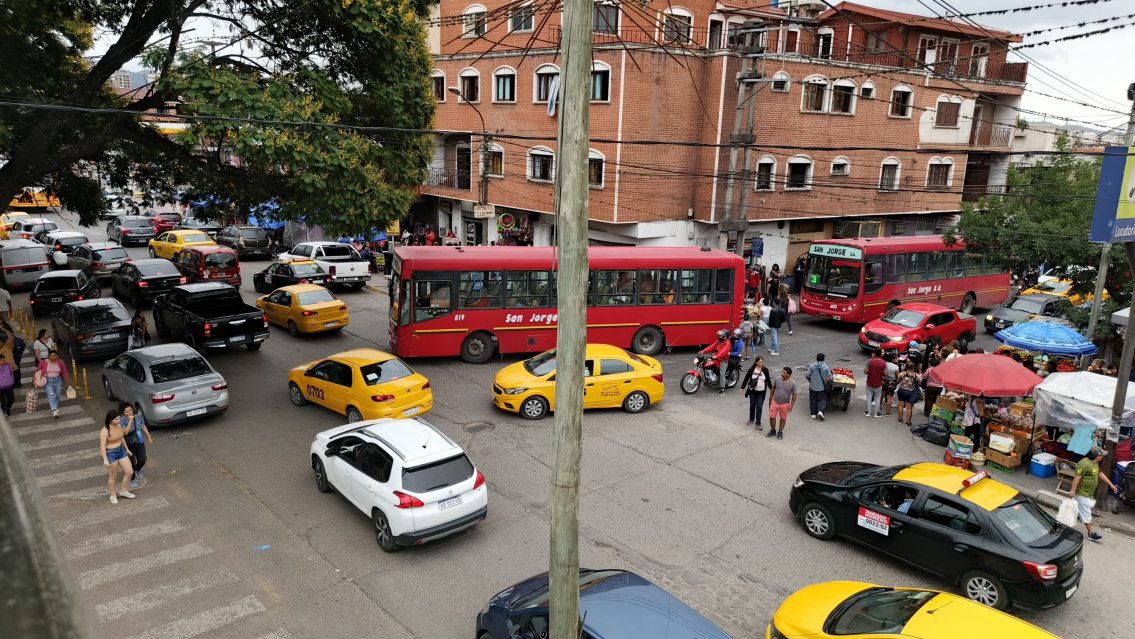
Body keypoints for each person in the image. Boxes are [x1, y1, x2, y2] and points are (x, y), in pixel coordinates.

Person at [1071, 446, 1117, 542]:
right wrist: (1072, 491)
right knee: (1086, 513)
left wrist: (1111, 485)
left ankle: (1063, 524)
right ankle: (1090, 534)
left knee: (1078, 510)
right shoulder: (1083, 463)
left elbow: (1100, 474)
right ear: (1097, 456)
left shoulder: (1095, 463)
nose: (1102, 457)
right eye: (1101, 455)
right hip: (1082, 493)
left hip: (1088, 493)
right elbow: (1077, 478)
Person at [100, 410, 135, 504]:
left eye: (119, 418)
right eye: (116, 419)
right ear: (110, 420)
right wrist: (105, 459)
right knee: (113, 476)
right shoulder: (105, 430)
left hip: (121, 450)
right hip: (111, 453)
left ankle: (124, 491)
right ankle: (113, 495)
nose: (119, 420)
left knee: (130, 471)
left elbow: (121, 437)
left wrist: (127, 449)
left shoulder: (118, 426)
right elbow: (102, 445)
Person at [119, 402, 152, 489]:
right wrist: (130, 421)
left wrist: (149, 436)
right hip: (129, 445)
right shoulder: (122, 421)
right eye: (127, 412)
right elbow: (125, 432)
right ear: (123, 412)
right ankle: (132, 479)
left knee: (143, 459)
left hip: (139, 442)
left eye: (130, 410)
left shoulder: (137, 416)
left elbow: (143, 426)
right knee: (132, 463)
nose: (129, 413)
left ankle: (138, 470)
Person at [35, 349, 71, 418]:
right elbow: (37, 371)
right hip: (48, 381)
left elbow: (64, 372)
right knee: (52, 395)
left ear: (57, 356)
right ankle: (54, 410)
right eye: (51, 356)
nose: (53, 357)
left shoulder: (61, 362)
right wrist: (34, 382)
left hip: (58, 380)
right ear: (49, 356)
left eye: (55, 355)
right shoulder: (44, 362)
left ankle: (55, 406)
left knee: (57, 395)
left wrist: (68, 381)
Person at [740, 356, 772, 429]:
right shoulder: (752, 369)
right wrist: (742, 387)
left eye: (762, 361)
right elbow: (746, 378)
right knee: (752, 405)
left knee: (759, 406)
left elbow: (768, 381)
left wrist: (772, 389)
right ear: (756, 362)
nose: (761, 363)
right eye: (760, 361)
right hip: (753, 391)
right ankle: (751, 419)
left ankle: (758, 422)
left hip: (761, 392)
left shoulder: (765, 370)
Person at [766, 367, 797, 440]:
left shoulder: (793, 383)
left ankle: (780, 431)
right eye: (782, 372)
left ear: (788, 375)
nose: (782, 374)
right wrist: (770, 398)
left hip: (785, 404)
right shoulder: (777, 379)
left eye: (784, 373)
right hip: (775, 401)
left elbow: (794, 395)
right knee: (772, 416)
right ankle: (773, 430)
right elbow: (773, 388)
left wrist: (791, 405)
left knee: (783, 418)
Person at [805, 353, 832, 420]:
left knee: (813, 399)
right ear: (824, 359)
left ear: (816, 358)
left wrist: (810, 380)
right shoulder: (826, 367)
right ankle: (820, 411)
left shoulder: (812, 366)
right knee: (821, 399)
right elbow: (830, 377)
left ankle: (813, 414)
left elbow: (807, 375)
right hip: (822, 387)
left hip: (813, 386)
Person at [895, 358, 920, 427]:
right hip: (910, 392)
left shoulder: (902, 373)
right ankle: (908, 422)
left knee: (901, 405)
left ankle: (900, 419)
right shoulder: (915, 375)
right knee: (909, 407)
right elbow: (919, 383)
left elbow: (897, 381)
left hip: (901, 391)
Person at [864, 348, 886, 418]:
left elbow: (865, 371)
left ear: (875, 354)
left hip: (870, 382)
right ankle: (877, 412)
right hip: (879, 383)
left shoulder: (869, 361)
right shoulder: (884, 363)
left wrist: (870, 372)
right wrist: (880, 373)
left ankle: (868, 411)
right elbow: (886, 373)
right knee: (877, 398)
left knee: (869, 397)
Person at [722, 328, 744, 394]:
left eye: (737, 335)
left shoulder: (740, 343)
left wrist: (730, 354)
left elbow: (738, 352)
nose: (735, 335)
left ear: (739, 336)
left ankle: (730, 374)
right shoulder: (729, 338)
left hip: (736, 356)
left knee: (731, 362)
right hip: (728, 354)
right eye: (734, 334)